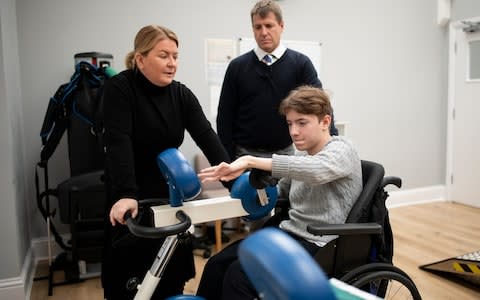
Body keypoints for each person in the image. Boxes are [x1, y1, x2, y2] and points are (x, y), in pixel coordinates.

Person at [196, 85, 362, 300]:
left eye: (302, 123)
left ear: (325, 122)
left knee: (239, 276)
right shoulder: (301, 154)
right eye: (290, 124)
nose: (294, 131)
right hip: (290, 232)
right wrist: (259, 186)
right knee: (217, 265)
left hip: (321, 242)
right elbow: (281, 191)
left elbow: (316, 171)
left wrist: (250, 160)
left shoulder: (342, 150)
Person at [101, 25, 231, 300]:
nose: (172, 63)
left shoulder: (180, 94)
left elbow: (207, 136)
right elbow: (118, 142)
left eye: (175, 56)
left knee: (171, 279)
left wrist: (232, 176)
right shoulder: (120, 89)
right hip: (131, 194)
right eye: (164, 55)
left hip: (170, 195)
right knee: (130, 283)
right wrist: (126, 194)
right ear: (140, 59)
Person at [217, 0, 338, 162]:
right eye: (258, 27)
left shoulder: (300, 64)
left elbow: (322, 107)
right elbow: (225, 116)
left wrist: (334, 147)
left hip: (285, 154)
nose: (264, 32)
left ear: (281, 26)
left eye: (269, 25)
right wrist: (227, 159)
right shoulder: (237, 67)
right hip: (244, 155)